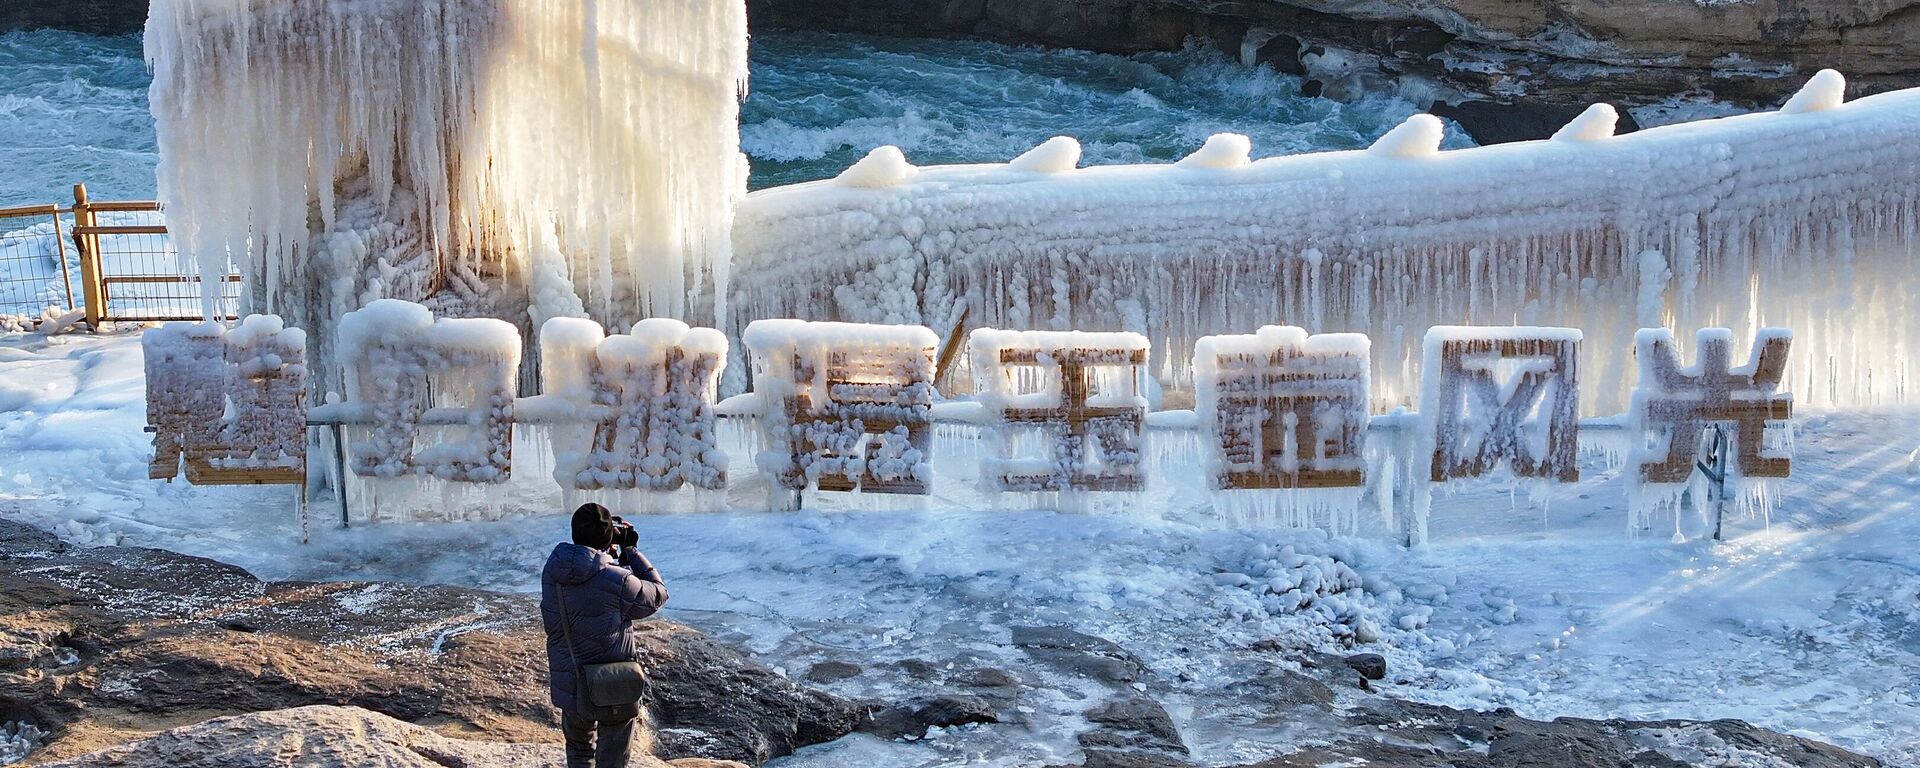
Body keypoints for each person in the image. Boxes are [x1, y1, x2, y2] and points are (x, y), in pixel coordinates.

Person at [542, 502, 669, 768]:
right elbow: (657, 594)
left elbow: (587, 572)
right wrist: (631, 552)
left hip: (571, 682)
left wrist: (605, 554)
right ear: (609, 536)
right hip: (612, 685)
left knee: (578, 750)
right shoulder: (617, 580)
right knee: (612, 758)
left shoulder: (553, 571)